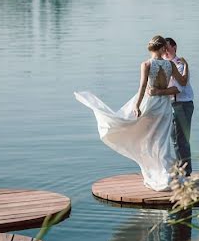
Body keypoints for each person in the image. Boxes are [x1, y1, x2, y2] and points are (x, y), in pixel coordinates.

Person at [75, 35, 189, 191]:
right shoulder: (170, 65)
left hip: (151, 104)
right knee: (162, 141)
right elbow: (182, 83)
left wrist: (137, 105)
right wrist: (186, 66)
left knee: (148, 138)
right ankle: (167, 175)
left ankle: (158, 174)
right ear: (162, 48)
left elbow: (142, 87)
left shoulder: (146, 64)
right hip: (165, 106)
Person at [149, 37, 194, 176]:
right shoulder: (165, 64)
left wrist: (158, 92)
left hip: (181, 104)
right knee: (175, 139)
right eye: (163, 49)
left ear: (174, 48)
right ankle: (180, 169)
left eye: (167, 48)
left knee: (179, 140)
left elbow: (178, 88)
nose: (165, 52)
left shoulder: (179, 64)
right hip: (171, 104)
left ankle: (184, 173)